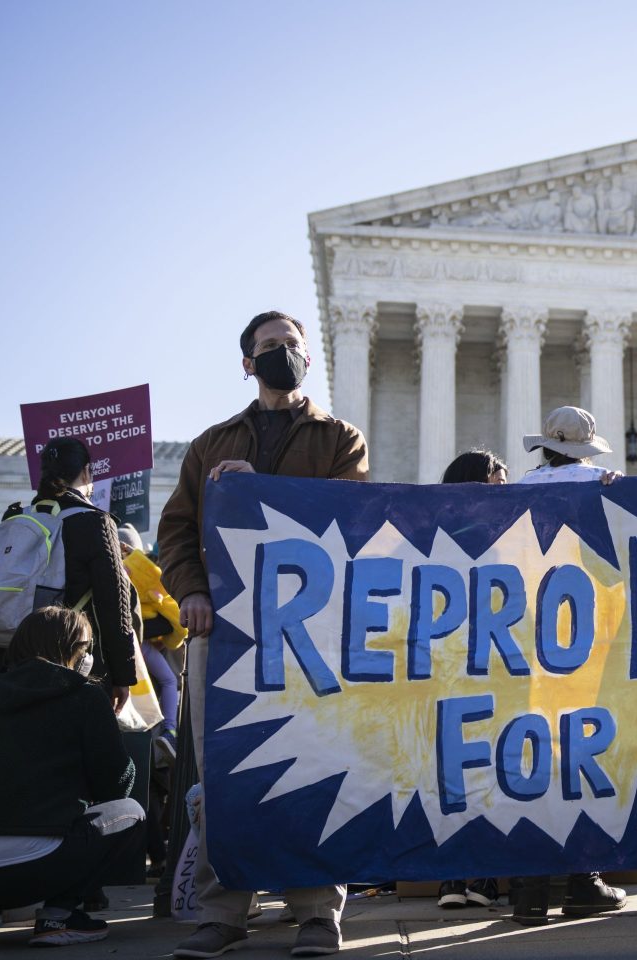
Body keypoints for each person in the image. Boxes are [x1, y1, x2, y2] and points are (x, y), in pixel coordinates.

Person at [159, 310, 368, 958]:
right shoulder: (211, 443)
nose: (285, 353)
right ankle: (223, 912)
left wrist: (264, 490)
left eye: (294, 345)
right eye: (272, 346)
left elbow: (350, 514)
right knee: (222, 779)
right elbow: (174, 531)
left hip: (308, 634)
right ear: (248, 364)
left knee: (314, 766)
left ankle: (315, 915)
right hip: (221, 634)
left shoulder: (340, 438)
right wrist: (189, 590)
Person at [505, 418, 627, 924]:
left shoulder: (515, 493)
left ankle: (530, 892)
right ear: (586, 451)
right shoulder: (605, 488)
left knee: (532, 758)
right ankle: (584, 878)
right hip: (589, 645)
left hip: (526, 642)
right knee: (585, 758)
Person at [0, 607, 146, 946]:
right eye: (88, 648)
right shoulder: (84, 695)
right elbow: (117, 785)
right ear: (77, 653)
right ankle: (59, 917)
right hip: (39, 864)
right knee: (131, 813)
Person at [2, 437, 136, 711]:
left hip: (12, 658)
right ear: (86, 471)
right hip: (72, 664)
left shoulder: (15, 517)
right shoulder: (94, 520)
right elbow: (114, 604)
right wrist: (123, 676)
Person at [436, 449, 505, 911]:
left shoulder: (434, 531)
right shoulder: (489, 534)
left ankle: (462, 880)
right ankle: (464, 879)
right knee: (466, 771)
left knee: (466, 771)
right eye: (498, 480)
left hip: (477, 665)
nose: (505, 488)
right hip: (468, 666)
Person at [114, 523, 182, 758]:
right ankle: (170, 730)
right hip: (139, 644)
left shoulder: (111, 569)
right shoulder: (146, 575)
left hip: (117, 641)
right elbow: (174, 617)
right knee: (169, 681)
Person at [517, 407, 621, 485]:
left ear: (547, 449)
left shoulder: (526, 482)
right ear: (586, 450)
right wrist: (622, 483)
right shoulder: (604, 478)